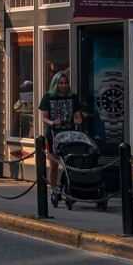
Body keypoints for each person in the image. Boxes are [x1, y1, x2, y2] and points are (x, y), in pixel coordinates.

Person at [38, 70, 83, 205]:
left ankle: (71, 188)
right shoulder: (48, 97)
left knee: (70, 163)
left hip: (69, 135)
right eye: (60, 83)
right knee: (53, 165)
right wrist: (52, 122)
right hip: (53, 135)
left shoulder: (74, 98)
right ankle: (53, 189)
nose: (63, 85)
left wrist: (77, 120)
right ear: (55, 84)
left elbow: (78, 117)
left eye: (65, 83)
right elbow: (44, 118)